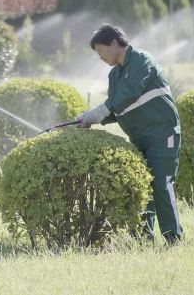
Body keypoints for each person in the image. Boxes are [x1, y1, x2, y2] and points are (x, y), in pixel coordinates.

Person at [77, 23, 183, 244]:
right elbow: (117, 109)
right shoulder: (114, 76)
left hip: (162, 135)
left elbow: (132, 92)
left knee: (162, 185)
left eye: (101, 51)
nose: (100, 57)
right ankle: (144, 239)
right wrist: (89, 119)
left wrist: (99, 111)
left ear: (115, 43)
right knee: (142, 186)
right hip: (139, 139)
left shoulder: (142, 59)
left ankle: (174, 239)